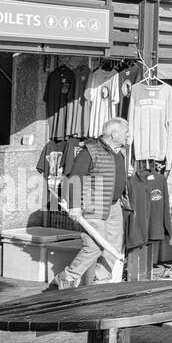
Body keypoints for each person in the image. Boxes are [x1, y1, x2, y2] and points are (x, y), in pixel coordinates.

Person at [52, 117, 130, 290]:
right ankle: (67, 277)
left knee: (113, 247)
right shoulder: (90, 150)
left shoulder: (120, 151)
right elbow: (75, 178)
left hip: (114, 206)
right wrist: (74, 205)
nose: (128, 135)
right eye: (126, 132)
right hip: (94, 205)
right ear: (114, 133)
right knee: (94, 246)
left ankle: (100, 284)